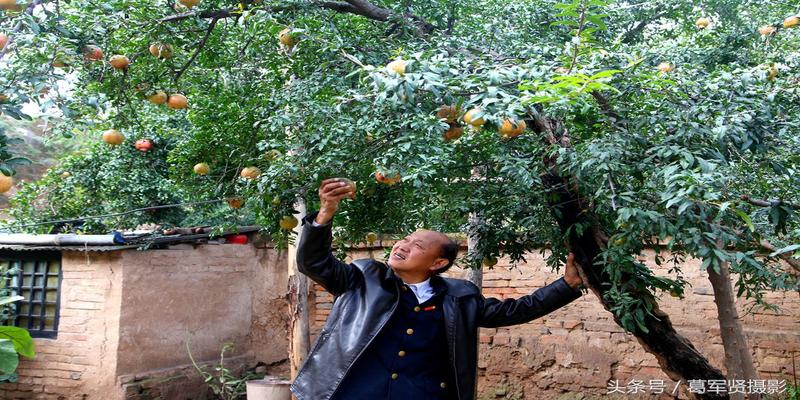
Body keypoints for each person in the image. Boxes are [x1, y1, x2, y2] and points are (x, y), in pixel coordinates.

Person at [290, 178, 585, 400]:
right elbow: (313, 262)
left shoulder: (460, 297)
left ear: (438, 262)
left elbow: (516, 310)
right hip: (354, 392)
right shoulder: (364, 276)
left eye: (417, 245)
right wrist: (325, 214)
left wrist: (567, 285)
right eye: (404, 240)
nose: (402, 245)